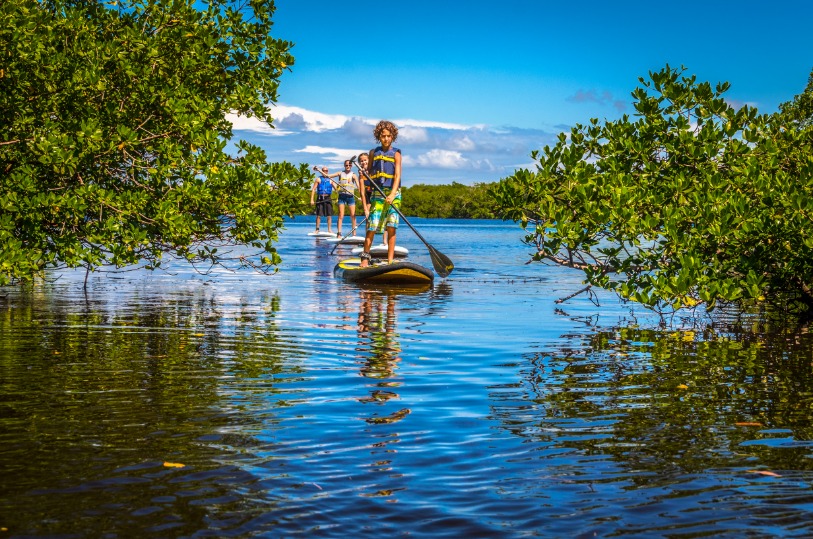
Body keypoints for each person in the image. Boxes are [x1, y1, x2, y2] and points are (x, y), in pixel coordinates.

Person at [359, 120, 401, 267]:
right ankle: (365, 257)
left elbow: (397, 176)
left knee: (391, 226)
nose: (386, 139)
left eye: (389, 136)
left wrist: (393, 194)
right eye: (383, 136)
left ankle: (390, 260)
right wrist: (364, 175)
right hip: (378, 193)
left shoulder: (396, 154)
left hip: (394, 193)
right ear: (379, 136)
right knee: (372, 226)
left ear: (393, 137)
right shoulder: (373, 152)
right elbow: (369, 172)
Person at [323, 160, 360, 237]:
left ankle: (354, 234)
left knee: (353, 215)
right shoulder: (340, 173)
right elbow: (328, 176)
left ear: (351, 166)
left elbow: (359, 187)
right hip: (342, 196)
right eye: (346, 165)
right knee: (341, 215)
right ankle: (339, 233)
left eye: (349, 165)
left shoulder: (354, 175)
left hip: (350, 197)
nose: (348, 166)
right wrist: (319, 170)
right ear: (344, 166)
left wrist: (361, 196)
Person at [309, 166, 334, 234]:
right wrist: (312, 200)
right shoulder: (318, 179)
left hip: (328, 198)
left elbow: (337, 189)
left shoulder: (331, 180)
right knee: (318, 215)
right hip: (320, 198)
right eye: (323, 170)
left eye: (326, 170)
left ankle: (329, 230)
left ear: (327, 171)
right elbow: (313, 189)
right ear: (321, 171)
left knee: (329, 215)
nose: (325, 172)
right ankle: (317, 229)